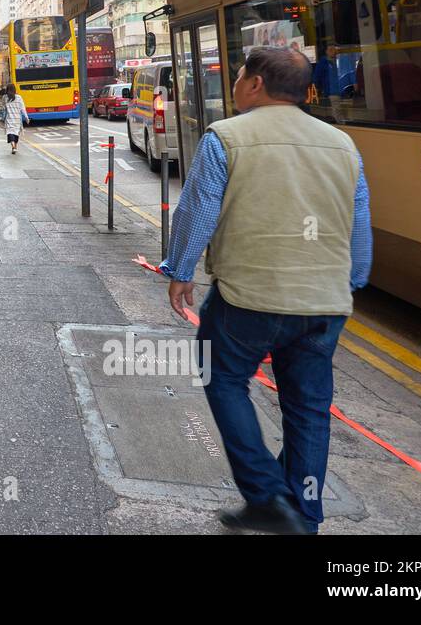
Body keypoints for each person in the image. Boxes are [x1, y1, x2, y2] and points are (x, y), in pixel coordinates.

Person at [159, 46, 372, 535]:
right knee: (308, 408)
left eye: (237, 78)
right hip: (324, 303)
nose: (234, 86)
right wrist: (352, 281)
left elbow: (198, 211)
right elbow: (359, 225)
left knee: (223, 378)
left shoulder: (226, 138)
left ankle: (267, 495)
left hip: (248, 299)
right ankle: (305, 516)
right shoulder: (342, 145)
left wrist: (180, 270)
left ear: (255, 84)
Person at [1, 84, 29, 153]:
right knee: (16, 134)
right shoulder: (19, 97)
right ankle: (15, 147)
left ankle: (13, 146)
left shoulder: (5, 98)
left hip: (9, 119)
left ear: (7, 90)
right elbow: (23, 108)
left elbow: (3, 108)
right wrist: (26, 117)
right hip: (17, 120)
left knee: (10, 133)